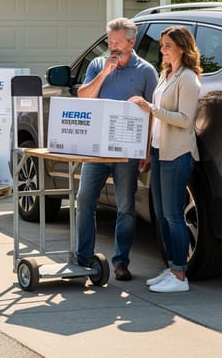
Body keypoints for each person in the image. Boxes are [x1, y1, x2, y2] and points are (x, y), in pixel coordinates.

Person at [75, 18, 158, 281]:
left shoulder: (146, 72)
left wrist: (147, 150)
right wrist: (104, 74)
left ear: (132, 43)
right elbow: (84, 97)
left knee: (125, 207)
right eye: (110, 42)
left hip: (126, 151)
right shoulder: (98, 65)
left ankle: (121, 262)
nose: (112, 47)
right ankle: (84, 258)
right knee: (84, 201)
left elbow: (152, 114)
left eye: (118, 43)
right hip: (96, 150)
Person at [130, 26, 201, 293]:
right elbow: (157, 121)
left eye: (168, 45)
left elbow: (185, 120)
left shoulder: (188, 78)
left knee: (173, 215)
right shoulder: (166, 73)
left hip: (178, 154)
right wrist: (148, 151)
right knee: (160, 215)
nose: (162, 50)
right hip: (160, 152)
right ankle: (172, 267)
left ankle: (180, 275)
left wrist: (151, 108)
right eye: (162, 45)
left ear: (183, 47)